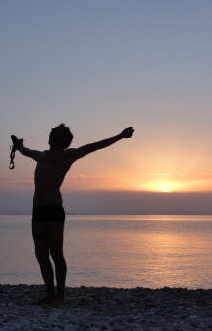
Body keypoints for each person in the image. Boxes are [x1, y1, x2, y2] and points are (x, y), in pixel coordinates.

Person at [14, 124, 134, 306]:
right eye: (52, 131)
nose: (53, 133)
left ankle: (60, 296)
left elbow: (95, 146)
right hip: (37, 209)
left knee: (56, 253)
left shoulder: (68, 155)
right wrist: (19, 145)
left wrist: (120, 136)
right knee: (40, 253)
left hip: (54, 208)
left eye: (58, 132)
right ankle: (48, 295)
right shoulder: (42, 155)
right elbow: (26, 151)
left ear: (65, 140)